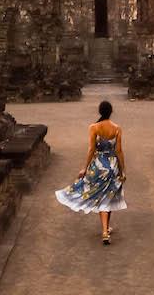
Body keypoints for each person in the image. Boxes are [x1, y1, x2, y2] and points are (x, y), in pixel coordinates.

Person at [54, 100, 127, 244]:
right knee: (109, 196)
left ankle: (105, 231)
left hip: (98, 166)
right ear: (111, 112)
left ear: (100, 111)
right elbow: (119, 151)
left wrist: (84, 168)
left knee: (102, 197)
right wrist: (123, 170)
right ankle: (106, 229)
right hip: (112, 166)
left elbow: (91, 149)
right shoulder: (117, 128)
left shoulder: (94, 127)